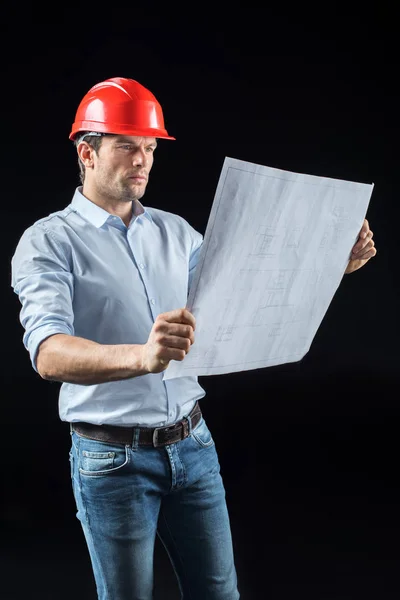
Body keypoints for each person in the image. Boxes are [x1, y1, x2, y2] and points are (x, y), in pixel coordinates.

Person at [10, 76, 376, 600]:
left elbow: (246, 294)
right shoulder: (48, 241)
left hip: (193, 444)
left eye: (150, 148)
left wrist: (331, 266)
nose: (142, 161)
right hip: (111, 459)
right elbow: (48, 353)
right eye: (126, 147)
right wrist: (145, 355)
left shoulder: (175, 232)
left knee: (219, 594)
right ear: (86, 153)